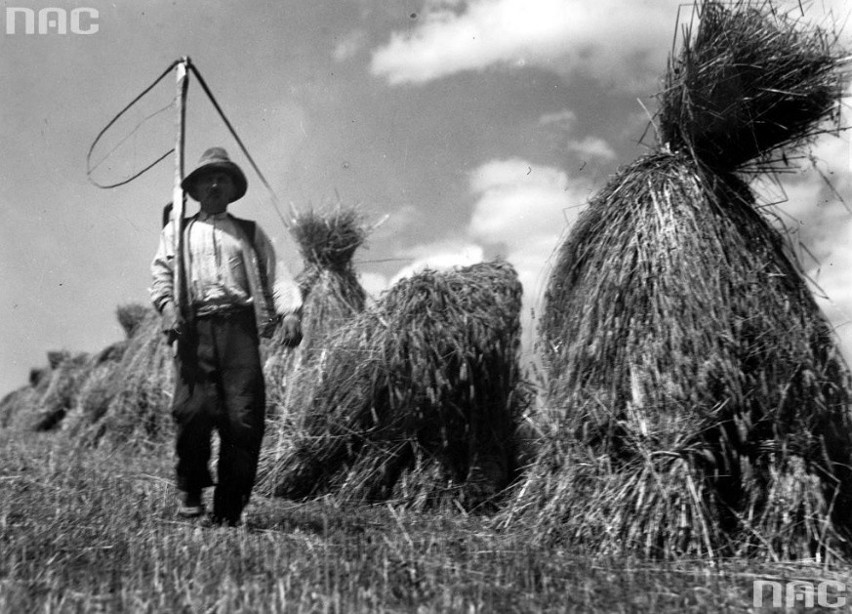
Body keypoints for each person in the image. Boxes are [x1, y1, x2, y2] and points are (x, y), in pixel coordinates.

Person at [150, 147, 302, 526]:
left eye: (222, 178)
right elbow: (160, 276)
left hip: (239, 331)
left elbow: (277, 275)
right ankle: (189, 492)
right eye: (207, 178)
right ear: (195, 189)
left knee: (243, 420)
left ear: (233, 187)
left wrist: (291, 313)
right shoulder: (178, 232)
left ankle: (228, 512)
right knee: (192, 411)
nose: (214, 184)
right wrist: (168, 308)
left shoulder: (249, 233)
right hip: (194, 329)